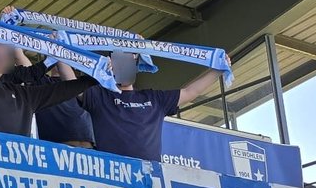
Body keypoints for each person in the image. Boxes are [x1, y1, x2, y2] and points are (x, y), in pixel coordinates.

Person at [59, 52, 221, 161]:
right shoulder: (100, 96)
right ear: (110, 67)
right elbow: (70, 81)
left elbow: (190, 91)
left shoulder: (154, 98)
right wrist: (58, 50)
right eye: (119, 62)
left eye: (129, 62)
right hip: (114, 172)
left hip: (150, 174)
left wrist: (218, 70)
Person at [0, 38, 96, 136]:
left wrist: (96, 79)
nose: (1, 60)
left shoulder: (23, 95)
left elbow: (61, 91)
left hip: (12, 176)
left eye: (4, 56)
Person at [33, 63, 96, 148]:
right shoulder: (42, 83)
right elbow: (20, 58)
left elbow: (69, 78)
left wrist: (61, 54)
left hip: (89, 151)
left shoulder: (84, 85)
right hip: (59, 150)